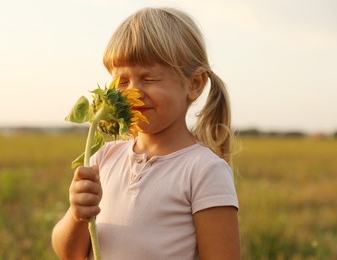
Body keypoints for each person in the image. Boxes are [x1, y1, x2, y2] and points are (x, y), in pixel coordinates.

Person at [52, 6, 240, 260]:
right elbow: (69, 253)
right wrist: (77, 214)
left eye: (148, 79)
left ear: (194, 84)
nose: (133, 92)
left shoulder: (203, 170)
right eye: (122, 81)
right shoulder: (104, 158)